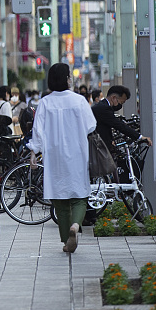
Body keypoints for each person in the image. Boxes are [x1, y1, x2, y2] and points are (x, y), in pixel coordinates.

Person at [28, 63, 97, 253]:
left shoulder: (45, 102)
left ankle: (67, 239)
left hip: (54, 156)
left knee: (60, 199)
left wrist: (34, 152)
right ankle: (75, 225)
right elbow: (91, 125)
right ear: (67, 79)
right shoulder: (79, 101)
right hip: (77, 153)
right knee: (79, 196)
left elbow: (38, 131)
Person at [92, 85, 152, 151]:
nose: (120, 105)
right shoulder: (103, 108)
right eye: (120, 102)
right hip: (98, 148)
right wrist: (139, 137)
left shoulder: (103, 106)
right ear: (114, 98)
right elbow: (119, 125)